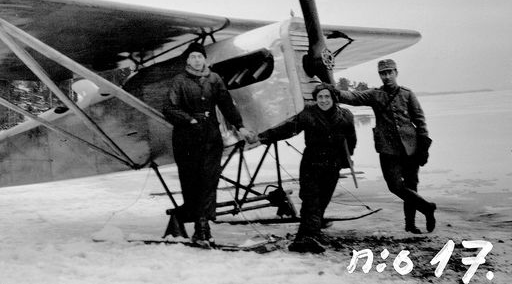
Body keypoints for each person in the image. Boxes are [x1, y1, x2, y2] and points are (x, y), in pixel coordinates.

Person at [163, 42, 255, 247]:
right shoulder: (179, 81)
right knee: (192, 183)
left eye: (200, 56)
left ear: (205, 59)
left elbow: (226, 104)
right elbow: (169, 108)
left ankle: (203, 227)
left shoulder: (214, 79)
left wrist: (240, 126)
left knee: (209, 181)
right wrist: (190, 120)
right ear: (187, 60)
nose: (197, 60)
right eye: (193, 56)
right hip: (187, 139)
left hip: (211, 137)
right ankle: (200, 227)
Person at [338, 59, 436, 234]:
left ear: (396, 73)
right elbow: (353, 97)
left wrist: (423, 148)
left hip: (410, 147)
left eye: (390, 72)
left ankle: (410, 225)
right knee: (394, 186)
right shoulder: (375, 95)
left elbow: (420, 122)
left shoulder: (408, 94)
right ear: (380, 75)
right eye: (383, 73)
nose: (387, 76)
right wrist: (333, 91)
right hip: (387, 149)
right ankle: (427, 208)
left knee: (411, 185)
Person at [258, 83, 357, 253]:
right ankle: (309, 237)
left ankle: (306, 237)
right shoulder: (308, 114)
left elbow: (351, 139)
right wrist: (264, 136)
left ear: (333, 98)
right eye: (320, 97)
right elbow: (288, 128)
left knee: (323, 201)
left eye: (327, 97)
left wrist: (345, 160)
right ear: (315, 99)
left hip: (332, 166)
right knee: (311, 201)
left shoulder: (345, 116)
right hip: (311, 164)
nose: (324, 100)